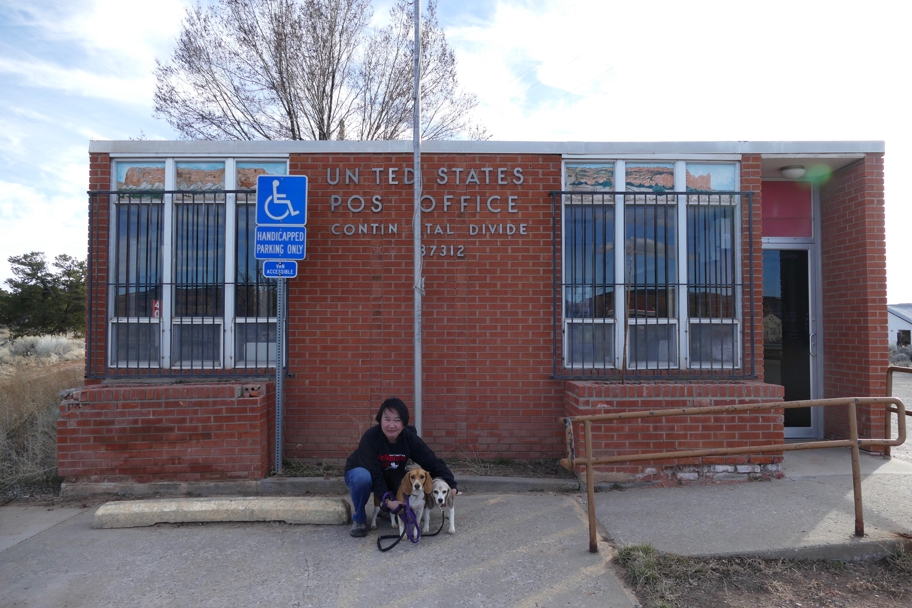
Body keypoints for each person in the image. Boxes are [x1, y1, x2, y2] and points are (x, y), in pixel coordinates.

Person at [344, 397, 458, 537]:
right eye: (387, 419)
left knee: (409, 478)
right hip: (362, 472)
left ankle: (388, 511)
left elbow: (432, 462)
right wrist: (387, 500)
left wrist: (451, 485)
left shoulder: (409, 438)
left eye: (397, 420)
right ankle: (360, 519)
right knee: (362, 478)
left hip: (390, 474)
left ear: (404, 423)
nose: (392, 425)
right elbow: (375, 473)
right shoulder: (370, 438)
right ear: (380, 420)